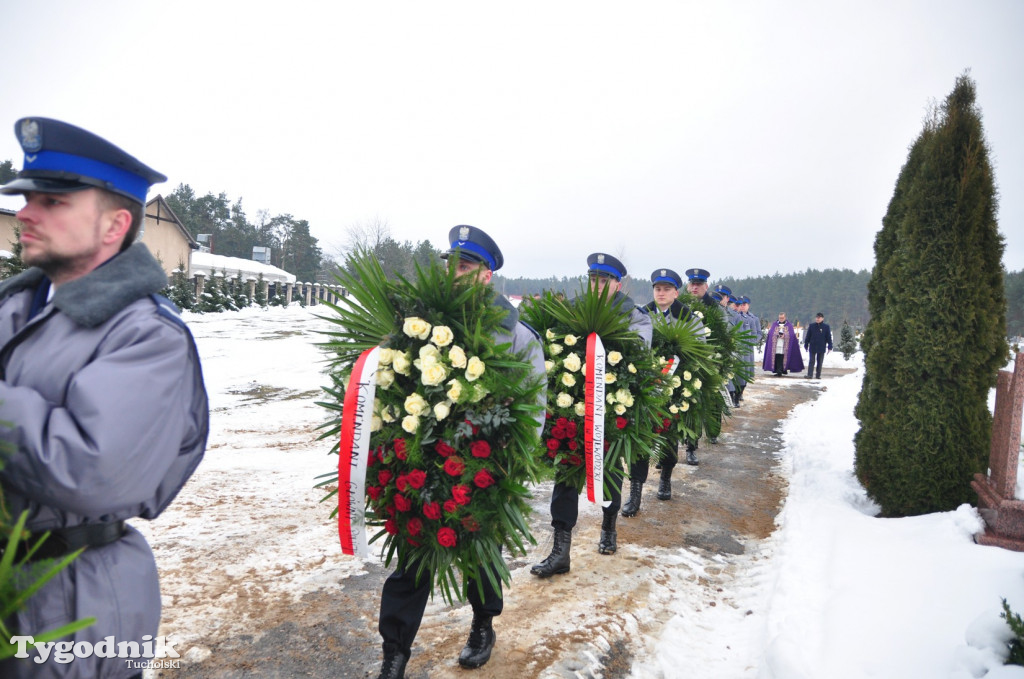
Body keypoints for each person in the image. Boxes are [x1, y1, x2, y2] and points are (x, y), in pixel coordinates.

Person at [0, 118, 209, 679]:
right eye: (26, 198)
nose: (24, 214)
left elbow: (94, 470)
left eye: (52, 201)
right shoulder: (16, 306)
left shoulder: (147, 335)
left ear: (116, 224)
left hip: (71, 598)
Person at [376, 225, 546, 679]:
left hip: (481, 467)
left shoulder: (518, 336)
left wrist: (510, 463)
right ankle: (395, 652)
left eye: (465, 266)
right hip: (424, 460)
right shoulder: (420, 323)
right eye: (450, 265)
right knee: (412, 555)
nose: (454, 273)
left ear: (486, 276)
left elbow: (534, 409)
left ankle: (482, 625)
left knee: (481, 553)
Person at [531, 253, 651, 575]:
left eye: (604, 281)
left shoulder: (634, 315)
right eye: (593, 279)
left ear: (618, 284)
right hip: (573, 403)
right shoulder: (573, 308)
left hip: (612, 408)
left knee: (609, 471)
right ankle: (561, 550)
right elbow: (556, 340)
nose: (597, 286)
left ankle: (609, 525)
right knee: (567, 472)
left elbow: (641, 350)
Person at [622, 268, 694, 516]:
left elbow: (697, 355)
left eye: (666, 289)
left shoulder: (687, 318)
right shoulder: (642, 315)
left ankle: (665, 475)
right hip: (645, 387)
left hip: (674, 389)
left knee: (669, 436)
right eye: (657, 289)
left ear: (676, 292)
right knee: (639, 437)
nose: (661, 293)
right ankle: (635, 493)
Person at [763, 311, 804, 376]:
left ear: (785, 317)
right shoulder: (774, 324)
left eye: (782, 318)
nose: (781, 319)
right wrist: (776, 334)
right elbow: (770, 334)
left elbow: (791, 335)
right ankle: (777, 370)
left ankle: (782, 370)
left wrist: (785, 336)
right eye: (780, 318)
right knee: (777, 357)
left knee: (782, 357)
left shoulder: (789, 325)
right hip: (776, 345)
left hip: (785, 345)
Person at [803, 312, 833, 379]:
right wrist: (806, 344)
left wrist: (830, 346)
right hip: (813, 346)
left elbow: (828, 337)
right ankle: (809, 374)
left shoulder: (826, 327)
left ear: (822, 318)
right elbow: (808, 336)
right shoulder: (812, 326)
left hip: (821, 346)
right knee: (811, 361)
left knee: (820, 362)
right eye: (816, 317)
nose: (817, 319)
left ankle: (818, 375)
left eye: (819, 318)